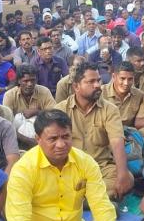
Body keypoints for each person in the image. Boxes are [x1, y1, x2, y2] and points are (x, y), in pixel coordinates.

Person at [6, 109, 128, 221]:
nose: (61, 144)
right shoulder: (23, 169)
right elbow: (18, 220)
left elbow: (102, 208)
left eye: (66, 137)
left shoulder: (85, 162)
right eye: (53, 139)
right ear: (38, 139)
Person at [55, 62, 134, 199]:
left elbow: (117, 142)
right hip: (69, 168)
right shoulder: (61, 110)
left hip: (100, 167)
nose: (97, 85)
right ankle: (93, 198)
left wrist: (122, 175)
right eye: (91, 81)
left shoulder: (110, 109)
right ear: (76, 87)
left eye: (98, 80)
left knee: (127, 177)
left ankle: (78, 199)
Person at [3, 64, 55, 146]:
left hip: (42, 134)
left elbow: (54, 115)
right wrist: (30, 141)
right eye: (26, 81)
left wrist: (37, 112)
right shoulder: (9, 95)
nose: (30, 84)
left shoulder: (44, 91)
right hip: (17, 138)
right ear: (19, 81)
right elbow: (6, 126)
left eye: (32, 80)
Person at [101, 61, 144, 127]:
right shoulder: (100, 93)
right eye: (122, 78)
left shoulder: (139, 95)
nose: (126, 83)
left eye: (130, 79)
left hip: (128, 134)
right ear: (113, 76)